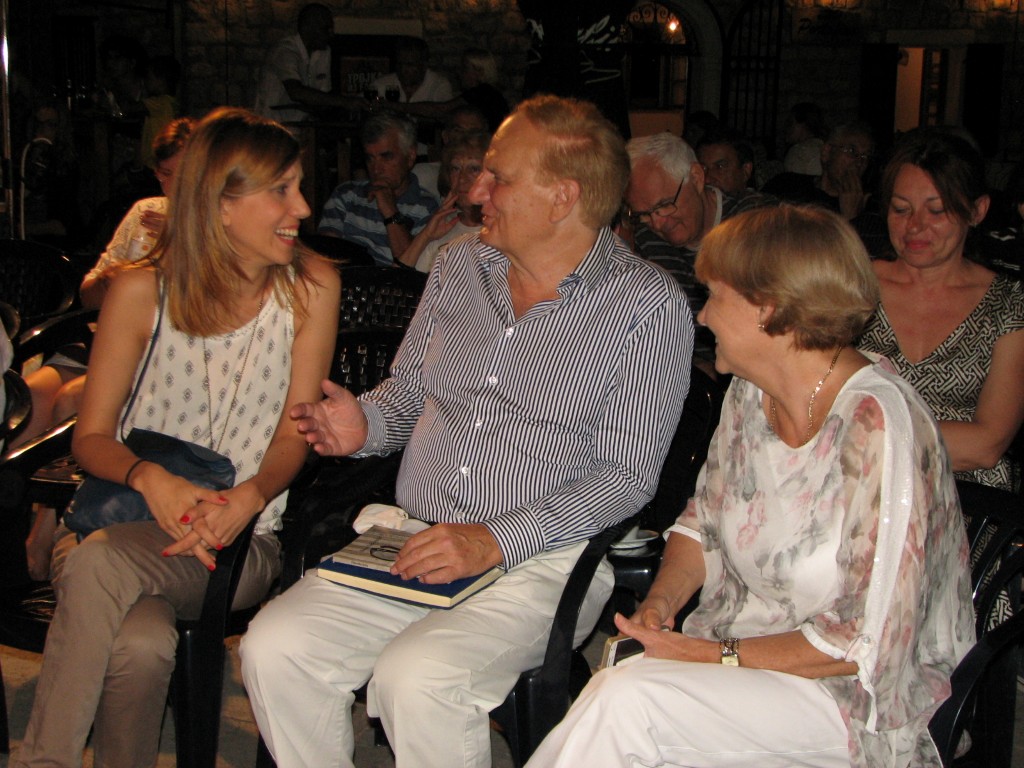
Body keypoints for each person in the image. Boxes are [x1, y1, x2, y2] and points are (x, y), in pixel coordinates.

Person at [240, 94, 694, 768]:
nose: (476, 190)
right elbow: (407, 393)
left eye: (498, 177)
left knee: (419, 679)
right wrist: (365, 424)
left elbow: (624, 479)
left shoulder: (644, 306)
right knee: (273, 648)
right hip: (412, 538)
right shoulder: (458, 266)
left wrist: (492, 538)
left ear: (563, 197)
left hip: (542, 558)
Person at [526, 204, 975, 768]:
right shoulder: (751, 393)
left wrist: (708, 655)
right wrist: (661, 604)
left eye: (714, 295)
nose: (702, 316)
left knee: (629, 702)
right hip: (746, 661)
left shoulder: (879, 427)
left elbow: (863, 643)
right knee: (621, 693)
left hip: (857, 700)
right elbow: (703, 523)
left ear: (769, 308)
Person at [11, 106, 341, 768]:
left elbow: (293, 434)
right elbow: (90, 438)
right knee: (138, 643)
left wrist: (249, 496)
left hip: (236, 538)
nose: (302, 207)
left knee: (101, 568)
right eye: (282, 189)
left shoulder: (311, 287)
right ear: (221, 204)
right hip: (121, 516)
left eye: (300, 186)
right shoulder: (141, 291)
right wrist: (149, 477)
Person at [858, 129, 1024, 493]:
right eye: (901, 209)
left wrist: (861, 432)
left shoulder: (1008, 304)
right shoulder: (853, 287)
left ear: (977, 211)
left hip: (965, 498)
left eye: (936, 210)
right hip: (857, 486)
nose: (915, 225)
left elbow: (987, 444)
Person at [624, 131, 771, 364]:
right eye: (644, 213)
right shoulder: (644, 238)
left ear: (696, 177)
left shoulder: (754, 227)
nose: (658, 223)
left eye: (665, 204)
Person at [318, 112, 438, 266]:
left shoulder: (427, 207)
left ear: (410, 157)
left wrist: (390, 212)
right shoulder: (346, 195)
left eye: (386, 157)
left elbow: (410, 266)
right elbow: (324, 256)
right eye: (370, 158)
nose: (376, 169)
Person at [253, 3, 360, 124]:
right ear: (307, 27)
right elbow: (296, 92)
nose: (331, 34)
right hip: (272, 125)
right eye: (325, 29)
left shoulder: (323, 52)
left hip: (301, 127)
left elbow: (322, 96)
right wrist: (345, 102)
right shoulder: (284, 51)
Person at [399, 130, 488, 272]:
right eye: (455, 169)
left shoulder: (504, 230)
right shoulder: (443, 225)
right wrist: (426, 235)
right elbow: (399, 277)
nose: (462, 179)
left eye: (474, 169)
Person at [391, 48, 510, 133]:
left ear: (479, 71)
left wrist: (395, 106)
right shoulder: (487, 93)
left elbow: (441, 110)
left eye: (464, 68)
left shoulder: (482, 92)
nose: (459, 73)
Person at [410, 104, 488, 200]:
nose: (465, 137)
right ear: (445, 136)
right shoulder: (423, 175)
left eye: (473, 133)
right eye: (459, 131)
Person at [370, 37, 454, 105]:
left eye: (409, 65)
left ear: (424, 65)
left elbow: (443, 112)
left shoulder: (438, 85)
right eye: (399, 64)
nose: (403, 69)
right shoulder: (382, 84)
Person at [695, 127, 755, 196]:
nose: (707, 179)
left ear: (746, 170)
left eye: (720, 166)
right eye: (703, 168)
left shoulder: (758, 201)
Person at [782, 101, 826, 176]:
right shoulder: (823, 148)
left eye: (790, 123)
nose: (786, 128)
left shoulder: (798, 152)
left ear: (803, 125)